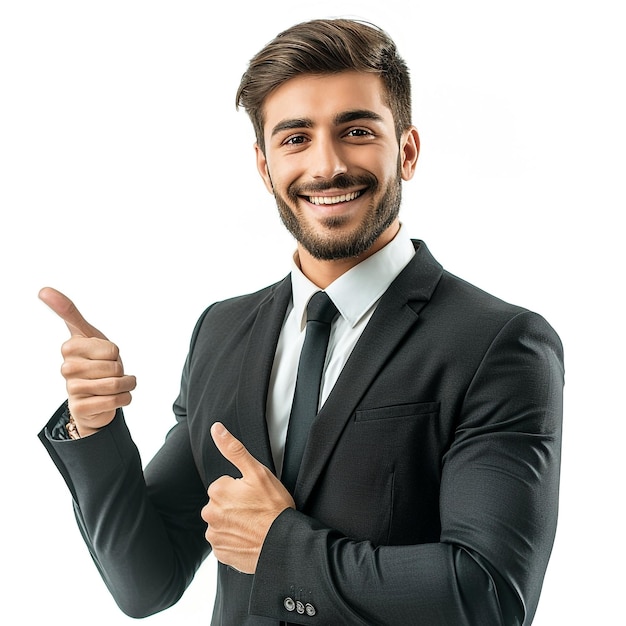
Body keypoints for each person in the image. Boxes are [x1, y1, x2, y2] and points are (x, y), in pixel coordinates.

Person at [38, 18, 564, 626]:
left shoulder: (498, 343)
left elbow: (489, 596)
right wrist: (96, 429)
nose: (328, 166)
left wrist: (282, 549)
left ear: (408, 151)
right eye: (295, 139)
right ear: (265, 168)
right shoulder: (222, 331)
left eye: (357, 131)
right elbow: (146, 583)